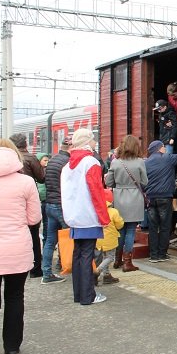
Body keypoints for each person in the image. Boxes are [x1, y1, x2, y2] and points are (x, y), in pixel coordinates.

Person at [0, 139, 42, 354]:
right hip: (17, 250)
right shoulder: (26, 182)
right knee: (15, 297)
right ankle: (12, 348)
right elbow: (34, 219)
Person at [61, 129, 109, 305]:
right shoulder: (91, 162)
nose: (95, 143)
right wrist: (104, 218)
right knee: (87, 256)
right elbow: (96, 192)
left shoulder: (67, 166)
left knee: (78, 254)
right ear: (87, 142)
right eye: (93, 140)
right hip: (88, 216)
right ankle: (88, 295)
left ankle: (79, 295)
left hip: (74, 216)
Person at [105, 135, 148, 272]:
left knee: (120, 230)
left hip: (119, 198)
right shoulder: (140, 162)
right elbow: (145, 182)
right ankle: (127, 262)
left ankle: (117, 260)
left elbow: (108, 182)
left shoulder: (116, 163)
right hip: (135, 198)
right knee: (131, 230)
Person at [9, 133, 45, 278]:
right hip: (29, 199)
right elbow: (41, 178)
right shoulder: (30, 158)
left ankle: (16, 265)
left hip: (12, 200)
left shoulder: (9, 158)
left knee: (15, 232)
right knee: (34, 234)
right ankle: (36, 268)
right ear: (25, 144)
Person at [41, 136, 72, 284]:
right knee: (71, 238)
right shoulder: (67, 163)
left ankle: (46, 273)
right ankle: (69, 267)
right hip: (62, 205)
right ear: (71, 148)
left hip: (50, 204)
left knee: (50, 241)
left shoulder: (52, 160)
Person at [94, 189, 123, 285]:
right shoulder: (114, 211)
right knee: (110, 258)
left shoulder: (97, 211)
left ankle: (106, 275)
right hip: (110, 240)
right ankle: (98, 270)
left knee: (104, 257)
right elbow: (119, 225)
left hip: (99, 239)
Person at [36, 153, 50, 245]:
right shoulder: (37, 172)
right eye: (45, 160)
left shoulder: (47, 170)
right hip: (40, 201)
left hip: (45, 201)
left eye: (47, 160)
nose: (47, 162)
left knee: (46, 224)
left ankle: (45, 243)